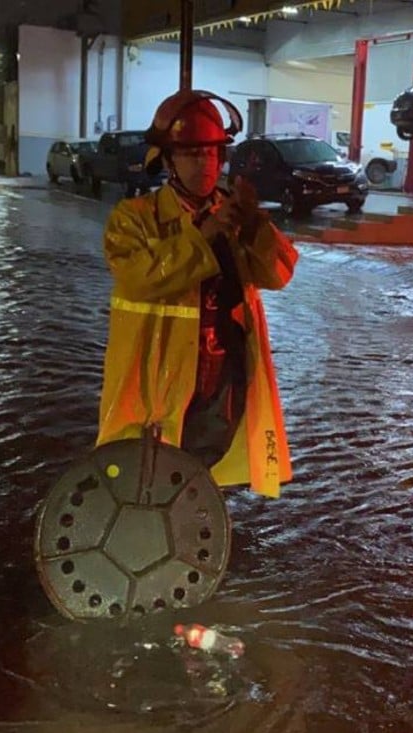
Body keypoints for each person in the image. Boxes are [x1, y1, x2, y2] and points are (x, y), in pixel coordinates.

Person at [97, 89, 298, 499]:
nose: (203, 164)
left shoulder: (234, 214)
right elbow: (140, 277)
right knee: (150, 490)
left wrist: (256, 225)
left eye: (211, 154)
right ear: (168, 161)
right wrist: (203, 236)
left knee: (207, 493)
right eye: (191, 154)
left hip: (224, 385)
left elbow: (279, 274)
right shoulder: (134, 219)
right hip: (163, 391)